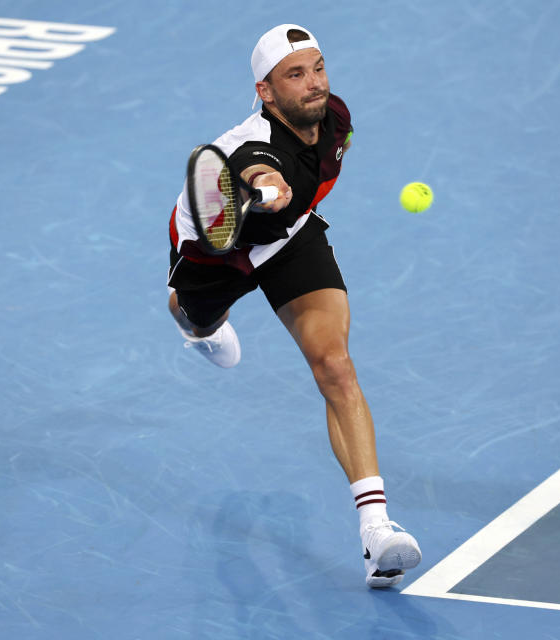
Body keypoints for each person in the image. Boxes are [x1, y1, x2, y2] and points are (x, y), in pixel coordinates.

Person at [167, 24, 421, 588]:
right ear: (265, 91)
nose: (314, 84)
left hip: (289, 240)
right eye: (295, 75)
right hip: (219, 248)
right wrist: (268, 186)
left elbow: (316, 174)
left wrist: (286, 207)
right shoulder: (253, 146)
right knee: (194, 315)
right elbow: (262, 167)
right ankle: (199, 325)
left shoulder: (335, 120)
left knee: (334, 365)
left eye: (318, 68)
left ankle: (377, 532)